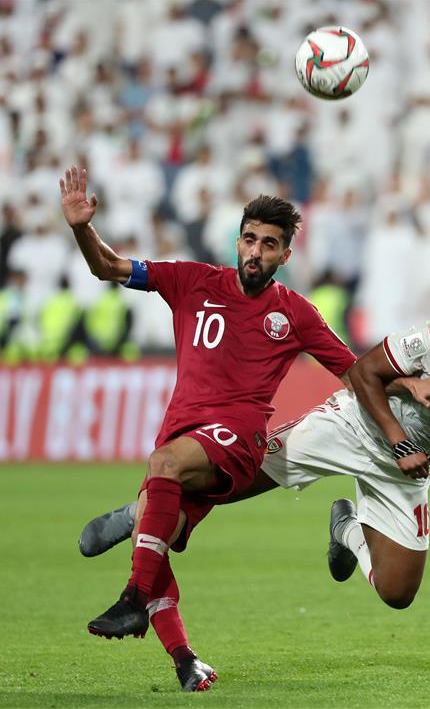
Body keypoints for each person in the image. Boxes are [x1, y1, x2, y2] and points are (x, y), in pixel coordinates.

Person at [59, 166, 357, 692]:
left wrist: (405, 400)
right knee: (154, 542)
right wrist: (82, 227)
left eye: (269, 244)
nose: (256, 251)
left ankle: (130, 599)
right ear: (236, 240)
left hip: (238, 441)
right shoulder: (191, 280)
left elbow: (356, 373)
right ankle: (186, 662)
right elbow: (105, 265)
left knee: (162, 470)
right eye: (249, 239)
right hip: (183, 434)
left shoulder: (295, 313)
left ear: (285, 256)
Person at [82, 291, 430, 615]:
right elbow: (363, 374)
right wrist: (400, 436)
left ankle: (347, 528)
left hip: (404, 467)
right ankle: (138, 512)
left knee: (397, 594)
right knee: (223, 481)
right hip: (352, 423)